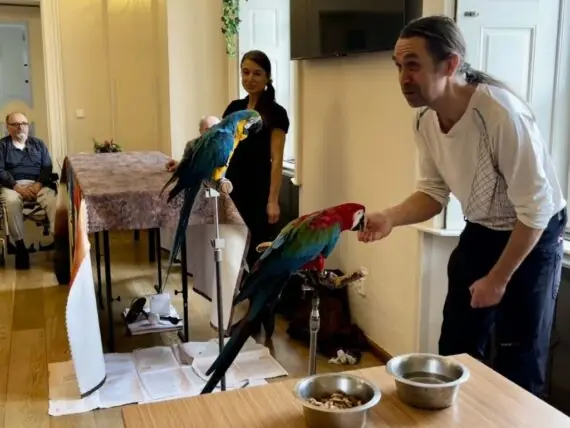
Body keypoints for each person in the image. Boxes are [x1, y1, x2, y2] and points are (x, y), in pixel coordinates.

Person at [358, 15, 566, 397]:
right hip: (482, 227)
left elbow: (535, 210)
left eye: (413, 65)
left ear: (450, 64)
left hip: (533, 235)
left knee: (519, 360)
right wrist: (389, 217)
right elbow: (433, 193)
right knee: (456, 346)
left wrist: (498, 279)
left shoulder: (501, 114)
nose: (403, 78)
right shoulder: (425, 119)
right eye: (399, 66)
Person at [222, 50, 290, 269]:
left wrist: (273, 200)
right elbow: (219, 145)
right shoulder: (234, 108)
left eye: (257, 73)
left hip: (258, 191)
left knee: (256, 252)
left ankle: (255, 291)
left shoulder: (276, 113)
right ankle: (234, 290)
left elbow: (277, 159)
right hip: (232, 188)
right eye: (246, 72)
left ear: (267, 77)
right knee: (231, 249)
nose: (250, 78)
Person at [0, 112, 58, 270]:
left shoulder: (38, 144)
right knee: (11, 201)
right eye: (15, 124)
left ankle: (59, 243)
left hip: (38, 184)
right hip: (12, 185)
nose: (20, 127)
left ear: (28, 126)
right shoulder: (2, 146)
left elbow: (47, 167)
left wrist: (38, 184)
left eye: (24, 124)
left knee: (54, 201)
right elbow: (0, 170)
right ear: (8, 127)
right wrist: (17, 187)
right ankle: (20, 247)